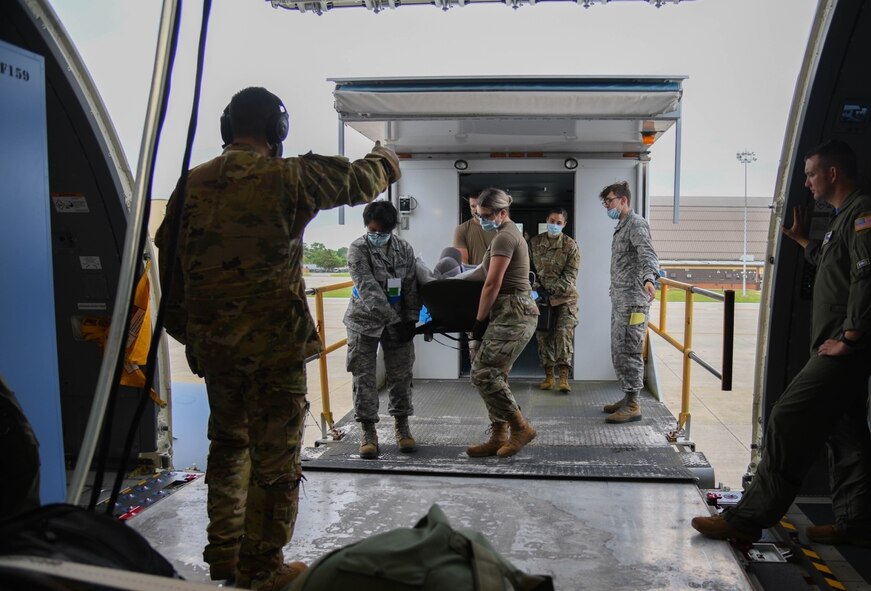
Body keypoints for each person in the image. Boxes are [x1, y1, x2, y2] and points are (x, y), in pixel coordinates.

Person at [154, 87, 400, 590]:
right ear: (277, 131)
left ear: (228, 127)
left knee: (228, 448)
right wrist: (386, 154)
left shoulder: (191, 184)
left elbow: (168, 259)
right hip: (274, 351)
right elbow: (362, 181)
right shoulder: (289, 177)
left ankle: (224, 554)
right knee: (275, 462)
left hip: (215, 349)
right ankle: (261, 568)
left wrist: (192, 333)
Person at [692, 139, 871, 546]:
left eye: (810, 174)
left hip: (843, 349)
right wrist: (803, 240)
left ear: (832, 173)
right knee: (847, 437)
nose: (806, 183)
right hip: (838, 346)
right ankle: (854, 525)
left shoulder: (862, 213)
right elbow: (834, 266)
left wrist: (850, 336)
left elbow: (866, 275)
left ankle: (748, 518)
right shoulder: (843, 219)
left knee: (787, 418)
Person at [344, 201, 421, 459]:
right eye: (373, 231)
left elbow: (411, 285)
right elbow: (367, 289)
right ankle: (368, 433)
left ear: (392, 228)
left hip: (398, 320)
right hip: (363, 321)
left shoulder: (404, 248)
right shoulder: (357, 248)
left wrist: (411, 319)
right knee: (363, 377)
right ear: (366, 225)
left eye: (383, 232)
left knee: (401, 375)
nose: (378, 236)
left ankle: (402, 427)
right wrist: (394, 320)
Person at [466, 188, 539, 458]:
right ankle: (499, 435)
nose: (480, 219)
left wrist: (478, 321)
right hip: (507, 310)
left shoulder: (505, 237)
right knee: (495, 375)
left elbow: (492, 283)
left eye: (485, 215)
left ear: (502, 213)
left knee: (483, 374)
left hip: (514, 311)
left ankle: (521, 428)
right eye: (477, 214)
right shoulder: (501, 235)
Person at [599, 181, 659, 424]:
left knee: (630, 349)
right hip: (622, 299)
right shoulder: (621, 225)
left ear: (624, 200)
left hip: (634, 302)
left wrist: (648, 279)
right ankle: (627, 396)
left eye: (610, 201)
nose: (607, 206)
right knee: (619, 348)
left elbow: (647, 253)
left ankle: (633, 403)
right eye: (605, 202)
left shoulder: (636, 223)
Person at [530, 208, 580, 393]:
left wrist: (549, 291)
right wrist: (537, 290)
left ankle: (564, 378)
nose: (554, 225)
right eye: (552, 221)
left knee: (563, 337)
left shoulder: (570, 245)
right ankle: (549, 377)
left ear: (564, 224)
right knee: (544, 337)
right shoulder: (535, 242)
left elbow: (570, 276)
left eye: (559, 223)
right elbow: (529, 270)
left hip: (565, 300)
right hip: (542, 299)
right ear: (547, 220)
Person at [453, 193, 495, 265]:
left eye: (480, 205)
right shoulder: (462, 229)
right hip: (474, 275)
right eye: (473, 206)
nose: (476, 210)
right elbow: (463, 262)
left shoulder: (501, 227)